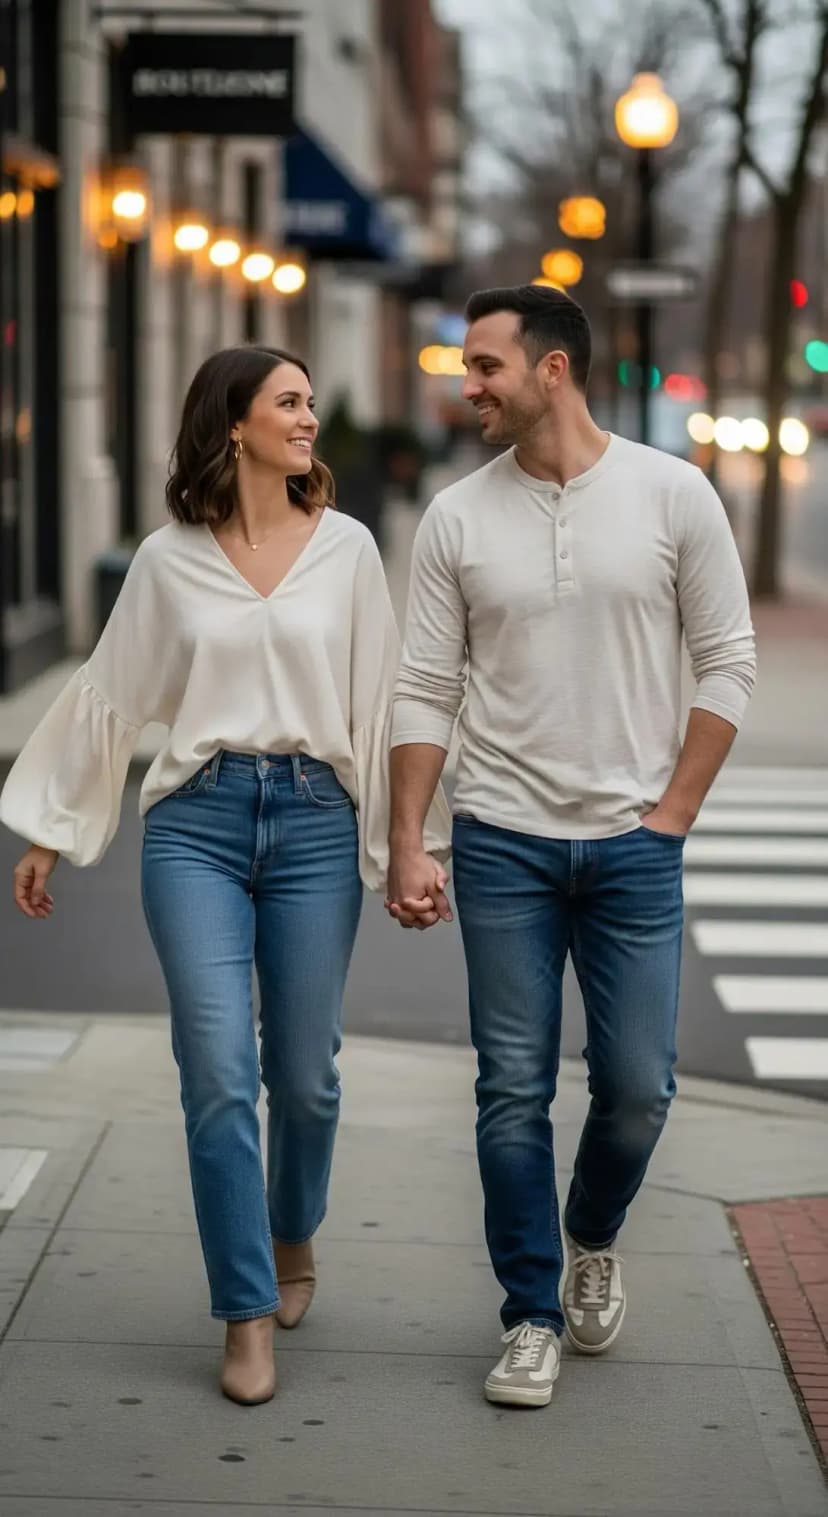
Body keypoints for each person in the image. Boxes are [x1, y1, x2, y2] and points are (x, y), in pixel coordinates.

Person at [1, 345, 450, 1407]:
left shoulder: (346, 551)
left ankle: (294, 1227)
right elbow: (112, 692)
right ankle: (245, 1309)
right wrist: (51, 829)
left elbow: (382, 705)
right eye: (288, 403)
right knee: (214, 1073)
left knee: (305, 1075)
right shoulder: (168, 558)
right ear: (234, 424)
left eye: (307, 400)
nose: (308, 419)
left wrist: (403, 846)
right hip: (193, 826)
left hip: (313, 824)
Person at [385, 286, 756, 1408]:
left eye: (487, 364)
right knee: (511, 1090)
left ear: (553, 370)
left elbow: (728, 660)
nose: (470, 385)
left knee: (639, 1086)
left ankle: (591, 1228)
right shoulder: (457, 514)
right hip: (501, 840)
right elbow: (423, 685)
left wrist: (675, 812)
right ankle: (531, 1311)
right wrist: (412, 835)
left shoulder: (672, 493)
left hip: (635, 844)